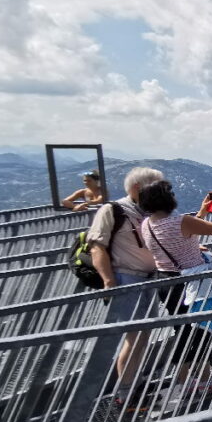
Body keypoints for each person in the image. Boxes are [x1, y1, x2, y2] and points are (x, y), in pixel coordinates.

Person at [138, 180, 212, 414]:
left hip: (166, 283)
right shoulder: (181, 222)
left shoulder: (147, 225)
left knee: (184, 331)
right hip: (192, 284)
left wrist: (201, 212)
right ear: (168, 199)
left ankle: (195, 379)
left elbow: (175, 240)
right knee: (199, 332)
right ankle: (193, 382)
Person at [85, 167, 165, 409]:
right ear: (138, 188)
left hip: (147, 280)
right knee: (134, 337)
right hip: (126, 280)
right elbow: (97, 247)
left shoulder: (150, 212)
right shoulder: (113, 210)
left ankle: (133, 386)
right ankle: (126, 395)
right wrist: (110, 284)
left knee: (141, 337)